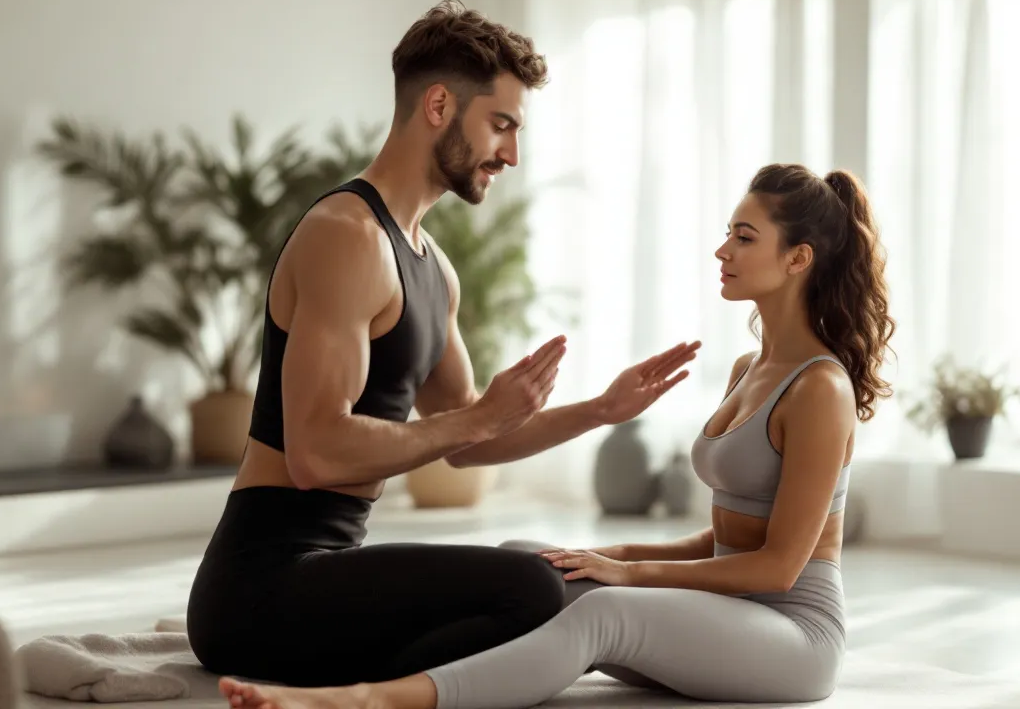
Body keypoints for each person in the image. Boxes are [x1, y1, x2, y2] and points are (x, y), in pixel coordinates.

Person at [215, 162, 897, 709]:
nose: (722, 249)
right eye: (728, 231)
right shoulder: (753, 368)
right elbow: (722, 541)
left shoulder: (820, 390)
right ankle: (388, 659)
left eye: (745, 238)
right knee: (530, 563)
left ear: (798, 259)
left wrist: (626, 573)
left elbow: (778, 567)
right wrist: (597, 554)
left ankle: (368, 699)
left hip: (792, 635)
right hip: (731, 610)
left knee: (602, 616)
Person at [185, 0, 700, 690]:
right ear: (437, 106)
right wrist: (482, 414)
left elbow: (465, 440)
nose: (512, 153)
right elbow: (315, 453)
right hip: (259, 591)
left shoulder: (432, 268)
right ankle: (377, 698)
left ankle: (377, 696)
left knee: (549, 586)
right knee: (533, 592)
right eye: (502, 125)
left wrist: (600, 410)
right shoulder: (346, 235)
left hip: (326, 574)